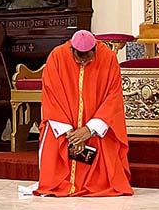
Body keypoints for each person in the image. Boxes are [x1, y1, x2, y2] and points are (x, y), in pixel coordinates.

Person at [35, 30, 133, 197]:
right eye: (79, 57)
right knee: (53, 135)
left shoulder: (108, 58)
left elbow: (113, 96)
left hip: (96, 122)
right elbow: (51, 94)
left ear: (94, 49)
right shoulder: (57, 57)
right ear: (72, 49)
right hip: (65, 126)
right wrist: (70, 133)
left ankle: (94, 182)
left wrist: (89, 129)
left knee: (106, 139)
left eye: (87, 57)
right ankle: (61, 182)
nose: (83, 61)